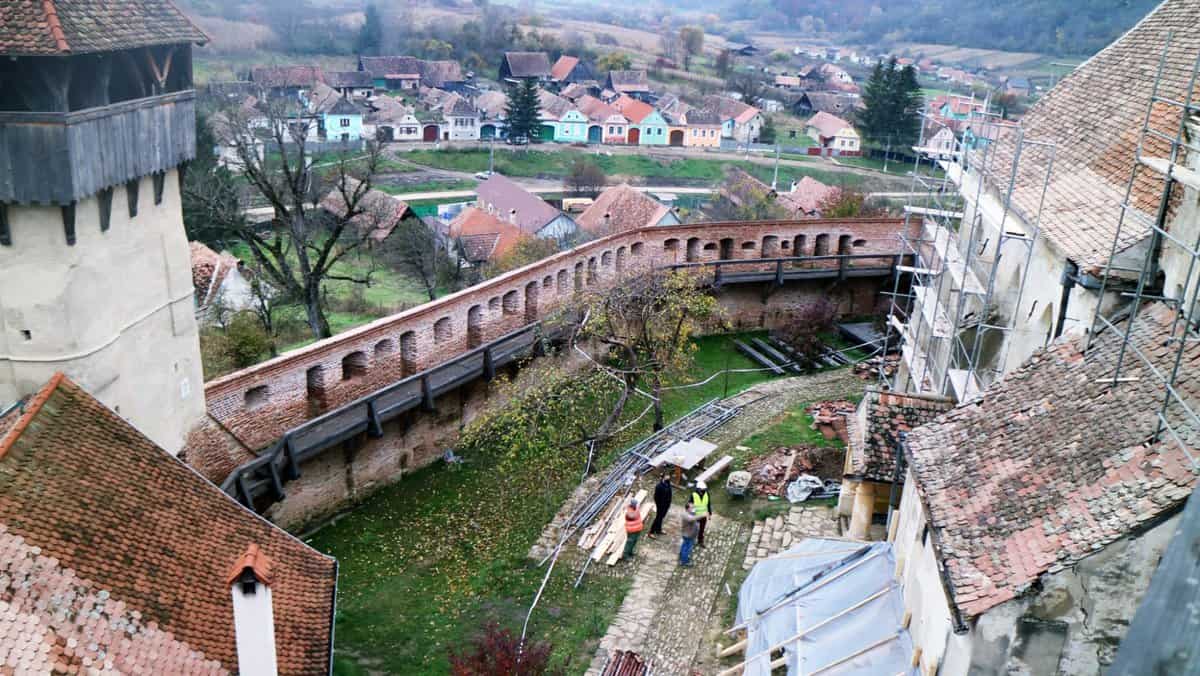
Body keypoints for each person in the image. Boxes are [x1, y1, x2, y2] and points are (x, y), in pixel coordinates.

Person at [648, 473, 672, 538]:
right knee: (658, 518)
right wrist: (659, 505)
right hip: (661, 505)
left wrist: (668, 503)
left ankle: (658, 530)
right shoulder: (659, 486)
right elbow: (656, 497)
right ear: (663, 477)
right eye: (667, 476)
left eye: (668, 476)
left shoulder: (668, 484)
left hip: (666, 505)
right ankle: (651, 532)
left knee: (661, 517)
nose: (668, 477)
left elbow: (670, 494)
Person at [690, 480, 712, 547]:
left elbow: (708, 504)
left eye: (704, 490)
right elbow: (689, 505)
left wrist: (709, 513)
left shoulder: (707, 494)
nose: (703, 491)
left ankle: (700, 540)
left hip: (703, 515)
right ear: (698, 489)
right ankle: (691, 540)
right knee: (694, 529)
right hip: (696, 516)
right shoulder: (693, 495)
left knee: (702, 529)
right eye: (702, 490)